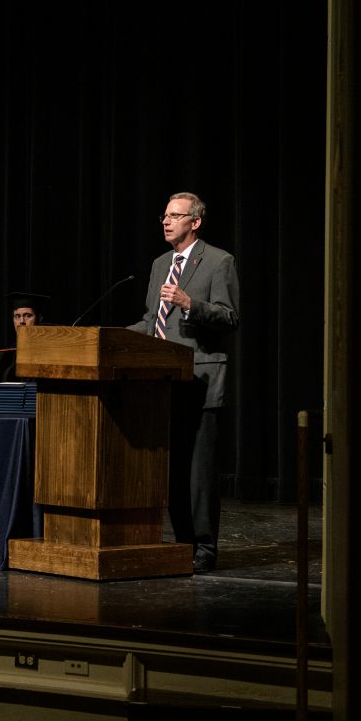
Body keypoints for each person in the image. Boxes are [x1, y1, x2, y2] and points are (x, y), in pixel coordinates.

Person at [127, 191, 239, 573]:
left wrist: (192, 303)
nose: (165, 221)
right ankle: (182, 542)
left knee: (199, 473)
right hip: (163, 383)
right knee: (171, 469)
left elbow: (229, 317)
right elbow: (149, 321)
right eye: (164, 215)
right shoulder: (160, 264)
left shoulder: (219, 261)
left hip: (202, 380)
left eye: (175, 216)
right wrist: (108, 337)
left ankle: (205, 547)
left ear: (195, 222)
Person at [0, 292, 50, 381]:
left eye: (27, 315)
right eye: (17, 316)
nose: (21, 321)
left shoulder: (49, 355)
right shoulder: (2, 356)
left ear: (39, 319)